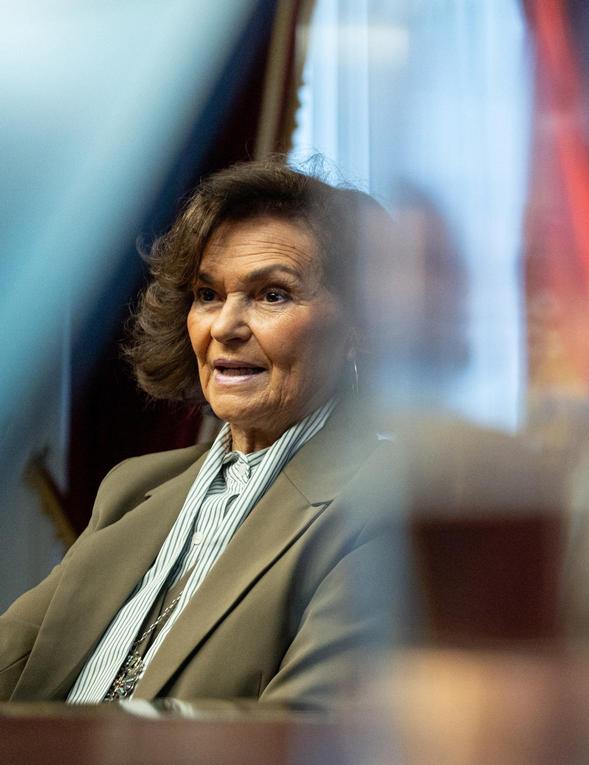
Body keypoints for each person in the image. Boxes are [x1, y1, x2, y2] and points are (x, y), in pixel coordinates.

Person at [0, 160, 405, 708]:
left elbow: (295, 733)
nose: (224, 326)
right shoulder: (135, 487)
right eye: (207, 294)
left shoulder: (387, 503)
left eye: (272, 295)